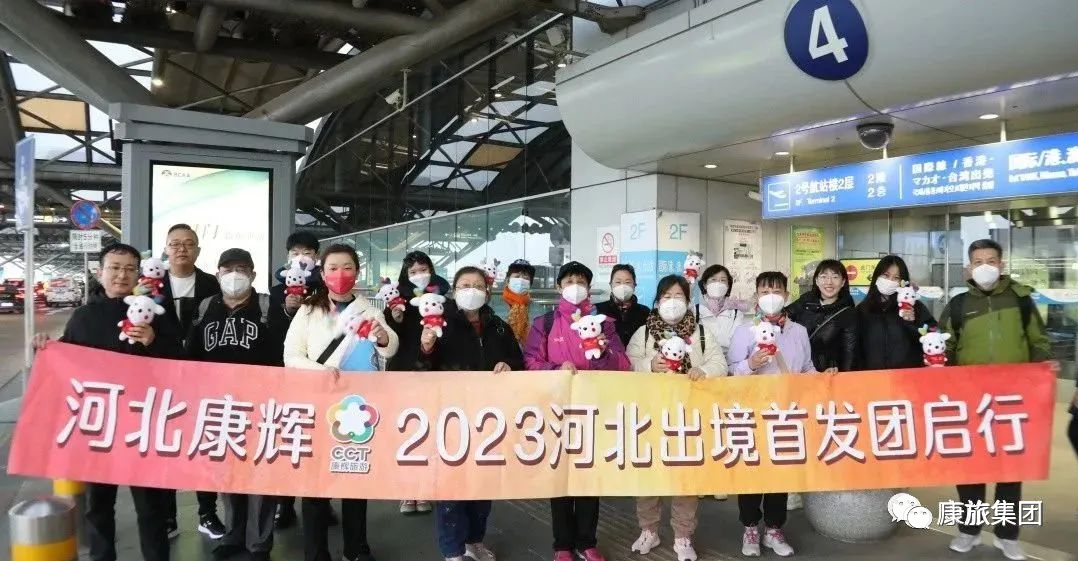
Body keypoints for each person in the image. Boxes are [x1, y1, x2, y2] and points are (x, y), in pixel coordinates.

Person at [32, 243, 182, 561]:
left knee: (152, 508)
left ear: (139, 274)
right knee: (98, 507)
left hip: (143, 423)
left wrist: (153, 341)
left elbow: (180, 362)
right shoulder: (83, 317)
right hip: (99, 426)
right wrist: (46, 348)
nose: (121, 275)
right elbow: (65, 363)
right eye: (114, 267)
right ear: (100, 272)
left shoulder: (157, 313)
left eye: (129, 268)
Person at [283, 243, 398, 561]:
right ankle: (316, 552)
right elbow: (291, 355)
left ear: (357, 272)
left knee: (355, 479)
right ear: (322, 274)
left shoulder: (369, 310)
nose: (340, 274)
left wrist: (383, 337)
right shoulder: (309, 310)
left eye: (347, 267)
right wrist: (320, 371)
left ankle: (356, 548)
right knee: (315, 483)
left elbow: (389, 347)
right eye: (333, 268)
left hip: (356, 407)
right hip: (318, 403)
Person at [940, 239, 1051, 561]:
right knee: (970, 468)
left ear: (1001, 265)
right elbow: (945, 347)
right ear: (968, 268)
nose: (985, 266)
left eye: (991, 260)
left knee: (1010, 468)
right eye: (978, 261)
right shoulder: (958, 305)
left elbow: (1039, 341)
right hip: (969, 401)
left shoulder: (1021, 300)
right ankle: (969, 530)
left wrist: (1039, 373)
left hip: (1013, 401)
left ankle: (1007, 535)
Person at [523, 261, 630, 561]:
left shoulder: (604, 323)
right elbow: (529, 362)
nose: (575, 287)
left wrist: (603, 354)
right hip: (556, 411)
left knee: (588, 477)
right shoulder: (544, 323)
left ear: (589, 287)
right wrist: (556, 369)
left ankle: (587, 542)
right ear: (559, 287)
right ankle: (562, 545)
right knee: (559, 478)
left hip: (594, 411)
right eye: (569, 281)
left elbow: (624, 364)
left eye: (581, 281)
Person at [185, 248, 286, 561]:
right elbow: (191, 357)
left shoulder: (268, 308)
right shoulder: (205, 307)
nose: (234, 275)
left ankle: (259, 544)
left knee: (261, 476)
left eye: (242, 269)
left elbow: (285, 357)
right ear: (218, 274)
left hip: (262, 407)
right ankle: (233, 535)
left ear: (253, 275)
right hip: (220, 408)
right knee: (228, 475)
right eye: (227, 269)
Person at [418, 266, 524, 561]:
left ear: (487, 292)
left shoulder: (499, 326)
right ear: (453, 291)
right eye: (464, 285)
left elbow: (518, 361)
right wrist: (426, 348)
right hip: (450, 417)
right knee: (451, 487)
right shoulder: (439, 324)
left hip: (488, 419)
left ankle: (475, 540)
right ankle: (453, 550)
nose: (471, 290)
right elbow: (421, 370)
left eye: (477, 285)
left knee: (482, 484)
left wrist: (509, 365)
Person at [625, 275, 727, 561]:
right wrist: (648, 365)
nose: (673, 302)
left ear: (688, 301)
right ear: (657, 302)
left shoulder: (701, 333)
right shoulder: (644, 333)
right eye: (667, 297)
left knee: (685, 478)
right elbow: (626, 364)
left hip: (688, 417)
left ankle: (683, 536)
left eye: (679, 296)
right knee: (648, 476)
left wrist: (703, 371)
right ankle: (649, 530)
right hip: (650, 416)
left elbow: (720, 363)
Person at [727, 271, 816, 558]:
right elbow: (731, 371)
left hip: (786, 413)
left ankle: (774, 528)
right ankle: (750, 527)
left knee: (780, 471)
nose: (771, 297)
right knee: (752, 471)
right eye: (765, 292)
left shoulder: (798, 331)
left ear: (787, 296)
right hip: (752, 413)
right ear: (756, 296)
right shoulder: (744, 331)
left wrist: (822, 378)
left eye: (777, 291)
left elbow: (807, 368)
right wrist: (750, 364)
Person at [158, 223, 225, 539]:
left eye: (188, 243)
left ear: (198, 249)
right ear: (166, 249)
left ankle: (207, 513)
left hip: (203, 376)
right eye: (175, 243)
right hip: (162, 377)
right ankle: (167, 517)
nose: (181, 249)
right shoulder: (150, 282)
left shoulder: (212, 284)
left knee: (204, 443)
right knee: (165, 446)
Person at [384, 250, 448, 514]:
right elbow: (389, 337)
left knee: (428, 431)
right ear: (405, 275)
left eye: (423, 270)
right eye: (413, 272)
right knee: (406, 431)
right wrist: (396, 317)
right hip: (403, 372)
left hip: (432, 370)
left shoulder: (441, 299)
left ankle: (424, 490)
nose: (419, 275)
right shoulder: (397, 300)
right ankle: (406, 490)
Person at [267, 231, 325, 529]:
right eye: (295, 252)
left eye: (307, 252)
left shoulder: (325, 287)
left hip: (320, 376)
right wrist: (288, 309)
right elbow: (274, 332)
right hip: (287, 375)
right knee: (289, 439)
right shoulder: (278, 291)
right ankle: (285, 504)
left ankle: (321, 504)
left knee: (320, 441)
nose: (301, 257)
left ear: (316, 256)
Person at [692, 263, 748, 501]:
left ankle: (720, 479)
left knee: (722, 427)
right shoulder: (693, 311)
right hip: (701, 374)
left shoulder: (736, 313)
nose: (718, 284)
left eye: (723, 280)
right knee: (701, 427)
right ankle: (701, 479)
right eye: (713, 279)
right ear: (704, 284)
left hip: (727, 376)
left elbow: (738, 343)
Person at [855, 255, 936, 370]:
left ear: (903, 282)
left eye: (896, 277)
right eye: (886, 275)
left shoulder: (915, 306)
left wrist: (911, 324)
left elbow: (933, 336)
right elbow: (854, 348)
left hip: (907, 376)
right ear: (876, 276)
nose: (890, 281)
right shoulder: (862, 310)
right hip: (872, 377)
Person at [785, 259, 858, 372]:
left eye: (835, 277)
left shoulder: (848, 313)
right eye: (824, 277)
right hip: (798, 371)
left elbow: (849, 354)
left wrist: (844, 378)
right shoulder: (805, 300)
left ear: (843, 282)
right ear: (816, 280)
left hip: (827, 374)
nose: (829, 282)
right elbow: (782, 318)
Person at [595, 264, 650, 347]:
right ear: (611, 284)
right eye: (618, 282)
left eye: (627, 282)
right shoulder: (598, 309)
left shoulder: (645, 311)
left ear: (634, 285)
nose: (623, 286)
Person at [502, 259, 536, 345]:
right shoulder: (494, 304)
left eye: (526, 278)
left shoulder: (538, 308)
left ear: (530, 284)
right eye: (517, 277)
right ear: (507, 280)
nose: (521, 281)